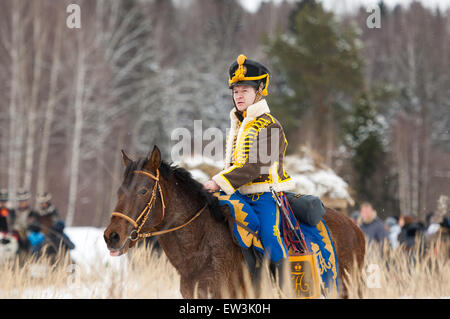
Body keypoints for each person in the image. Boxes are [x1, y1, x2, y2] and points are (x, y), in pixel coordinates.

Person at [203, 54, 295, 276]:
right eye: (235, 91)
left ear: (259, 91)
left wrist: (217, 181)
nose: (238, 95)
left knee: (268, 235)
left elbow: (257, 166)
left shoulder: (271, 125)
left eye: (245, 90)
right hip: (238, 193)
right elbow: (233, 165)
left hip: (265, 195)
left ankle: (286, 286)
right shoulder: (238, 124)